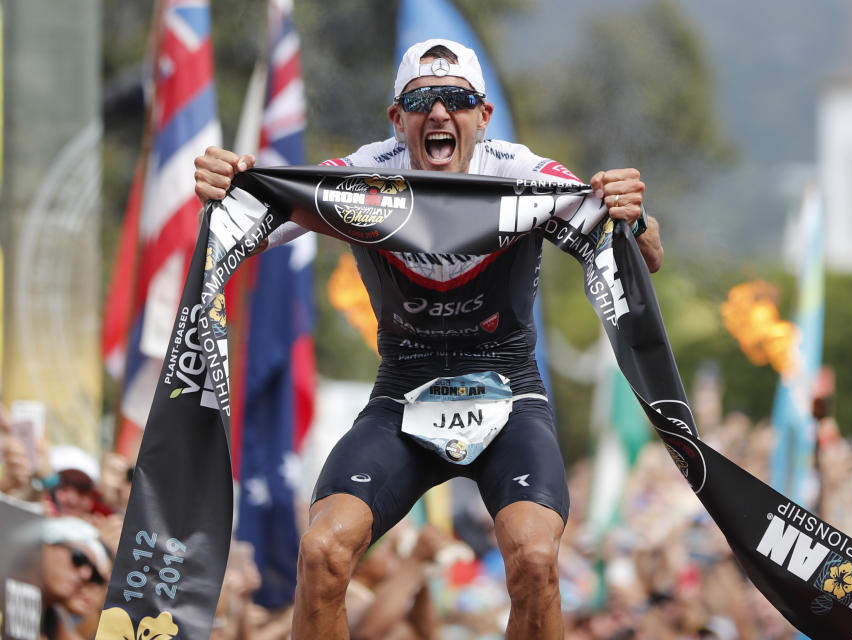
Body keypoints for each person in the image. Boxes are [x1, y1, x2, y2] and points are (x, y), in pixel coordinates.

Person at [195, 38, 663, 640]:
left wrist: (636, 216)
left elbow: (643, 255)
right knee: (322, 552)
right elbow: (251, 224)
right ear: (399, 119)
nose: (440, 113)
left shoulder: (522, 171)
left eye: (457, 100)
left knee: (536, 559)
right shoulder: (365, 173)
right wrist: (225, 184)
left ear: (483, 117)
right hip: (403, 393)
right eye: (423, 101)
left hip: (508, 392)